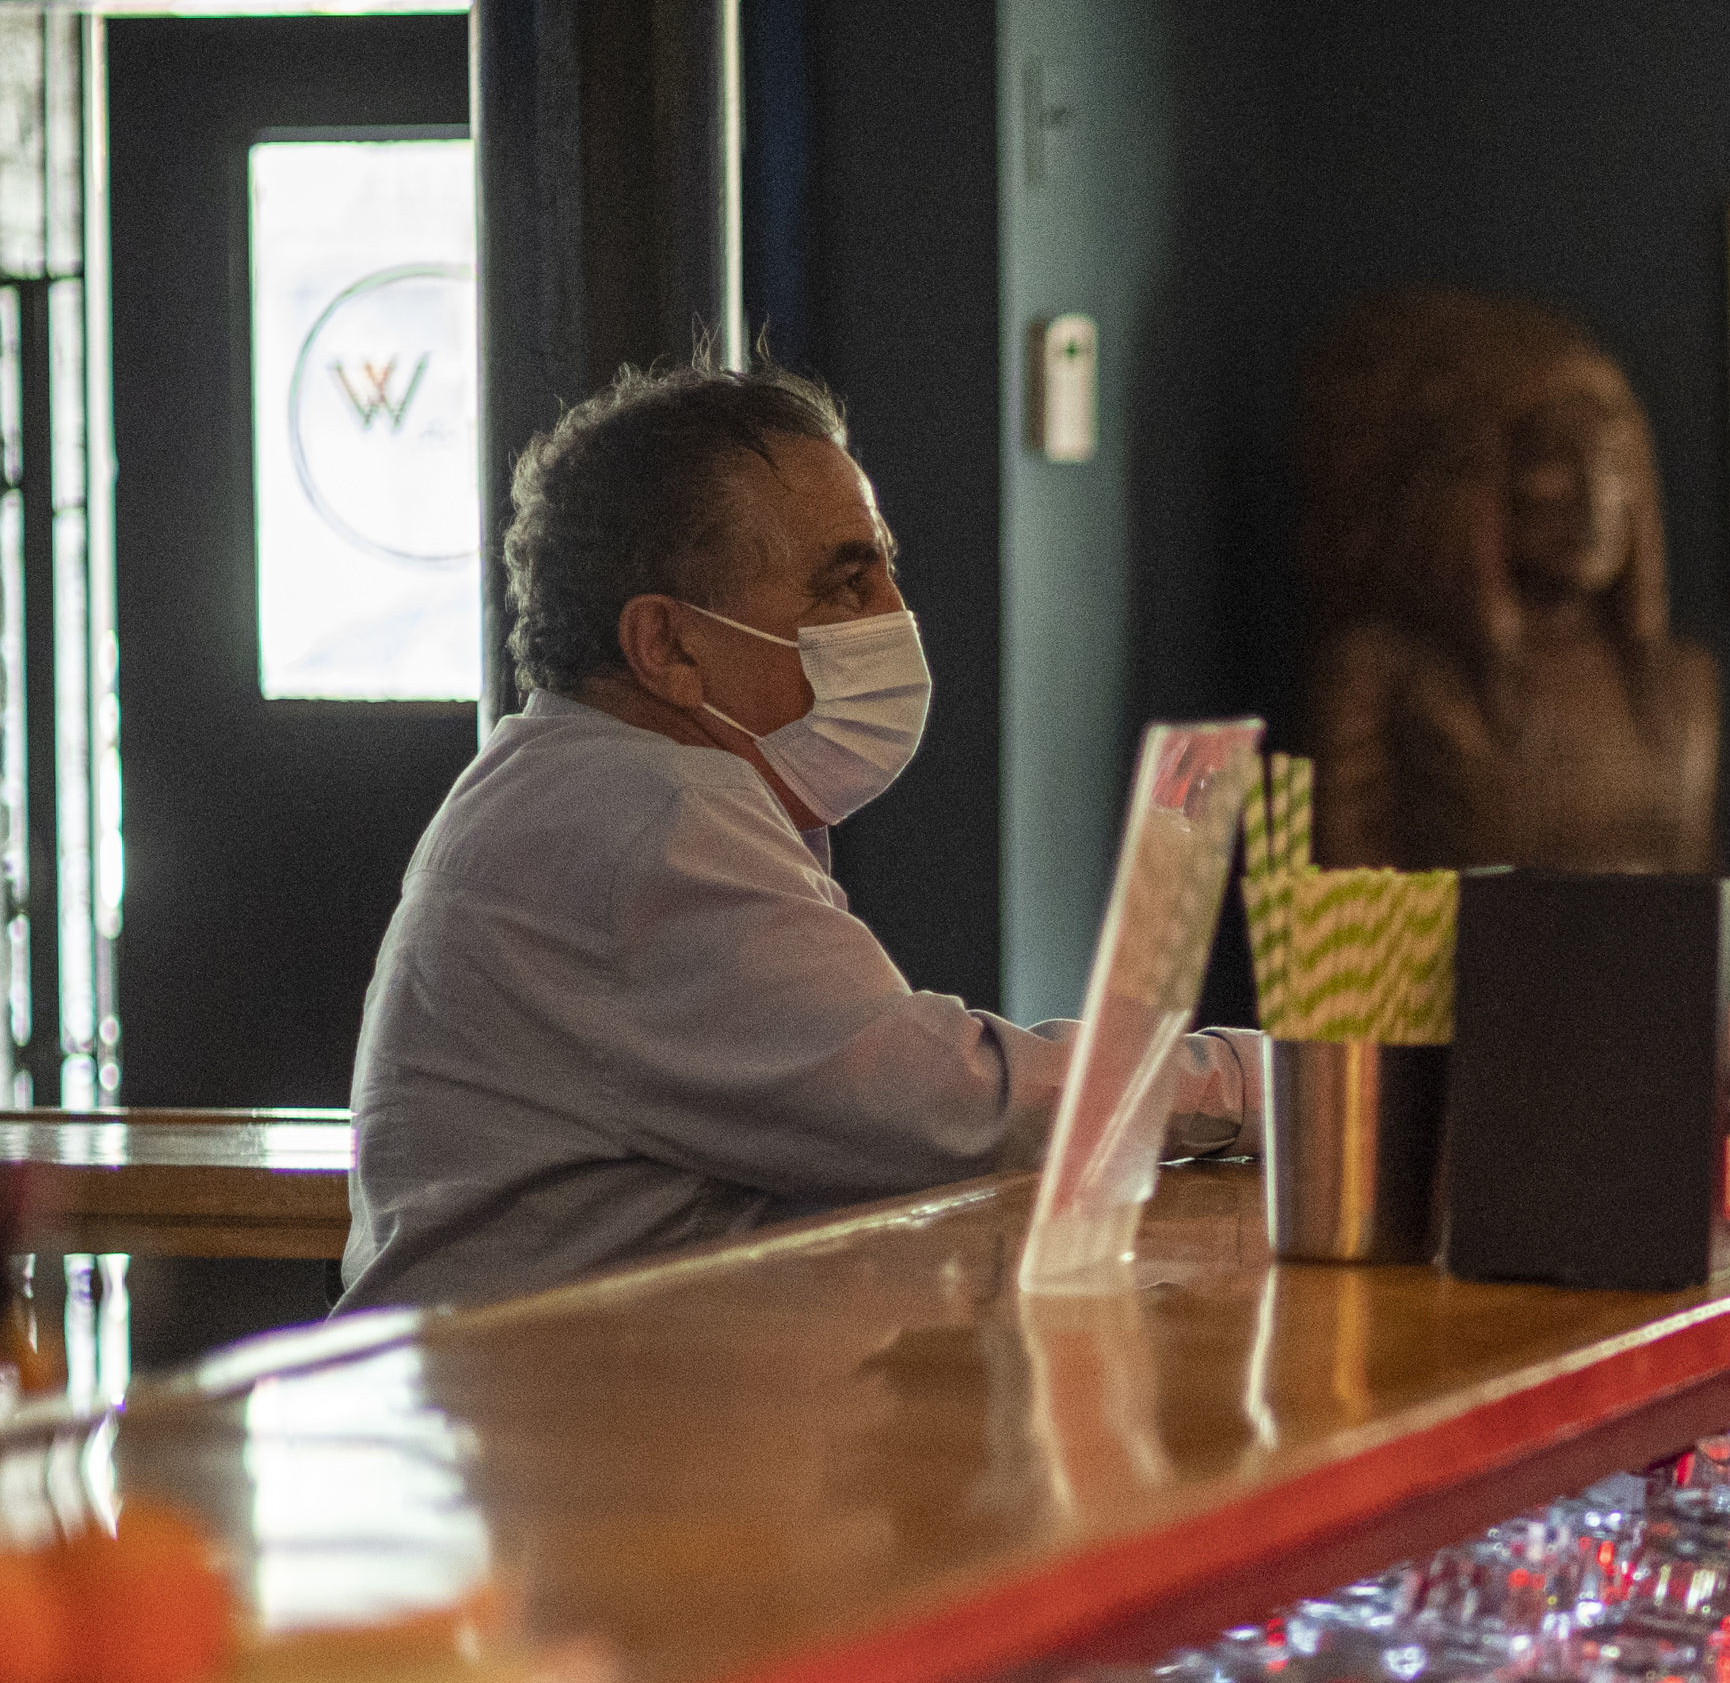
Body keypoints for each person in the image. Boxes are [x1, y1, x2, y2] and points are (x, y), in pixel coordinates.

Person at [341, 359, 1256, 1312]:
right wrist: (1259, 1088)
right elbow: (946, 1108)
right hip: (553, 1434)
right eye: (845, 586)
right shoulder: (646, 816)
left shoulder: (575, 778)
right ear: (669, 646)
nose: (896, 617)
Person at [1300, 290, 1720, 874]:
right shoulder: (1387, 682)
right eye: (1555, 461)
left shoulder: (1683, 685)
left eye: (1615, 465)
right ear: (1477, 482)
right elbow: (1350, 928)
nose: (1594, 502)